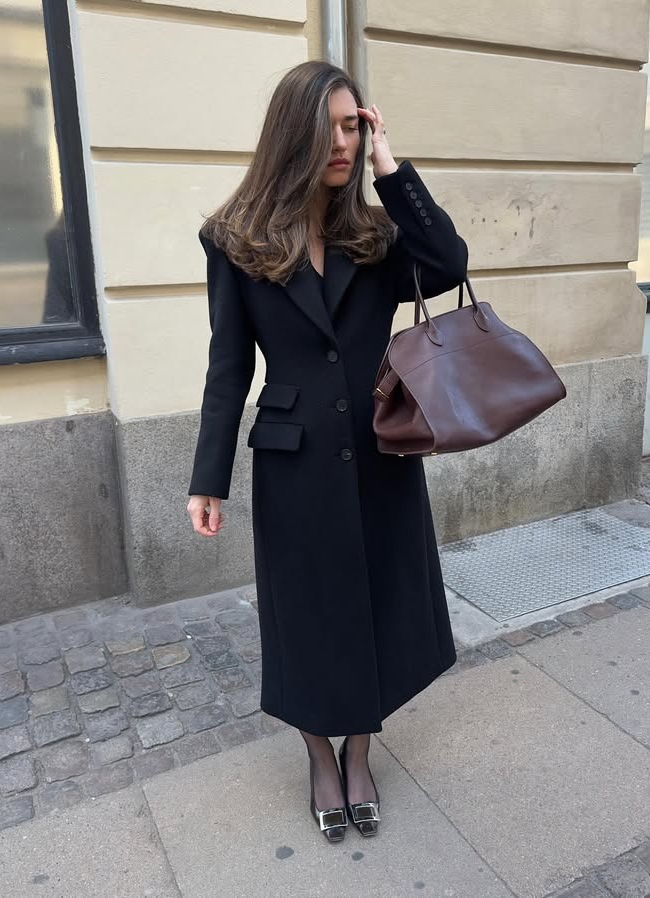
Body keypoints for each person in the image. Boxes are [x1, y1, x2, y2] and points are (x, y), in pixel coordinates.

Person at [187, 60, 469, 843]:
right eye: (333, 128)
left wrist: (393, 169)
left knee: (377, 603)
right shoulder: (234, 239)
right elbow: (227, 368)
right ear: (295, 132)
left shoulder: (376, 233)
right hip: (292, 459)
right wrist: (208, 475)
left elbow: (450, 265)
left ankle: (360, 753)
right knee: (307, 616)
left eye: (355, 125)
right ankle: (319, 757)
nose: (344, 142)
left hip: (379, 452)